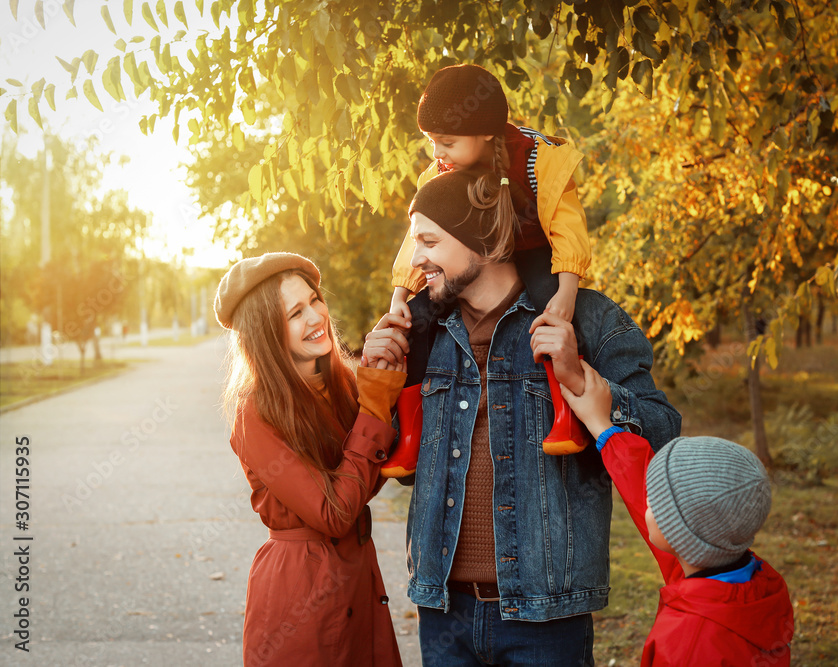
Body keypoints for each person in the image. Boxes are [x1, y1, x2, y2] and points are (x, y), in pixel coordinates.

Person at [363, 169, 683, 666]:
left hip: (547, 618)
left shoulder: (584, 320)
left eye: (428, 240)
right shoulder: (419, 331)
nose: (416, 258)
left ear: (485, 241)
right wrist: (379, 384)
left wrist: (584, 384)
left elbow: (664, 436)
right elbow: (407, 471)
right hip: (444, 611)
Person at [380, 63, 593, 477]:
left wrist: (567, 288)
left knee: (553, 310)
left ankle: (565, 411)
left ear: (487, 133)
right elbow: (418, 238)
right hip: (467, 266)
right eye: (431, 142)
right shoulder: (441, 172)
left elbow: (567, 226)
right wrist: (401, 294)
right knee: (415, 326)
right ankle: (409, 435)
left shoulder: (537, 159)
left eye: (447, 141)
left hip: (531, 254)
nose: (437, 152)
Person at [214, 252, 406, 667]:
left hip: (359, 583)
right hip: (300, 595)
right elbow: (335, 512)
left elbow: (365, 481)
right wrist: (374, 408)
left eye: (315, 300)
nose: (316, 316)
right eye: (295, 313)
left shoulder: (342, 383)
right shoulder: (256, 414)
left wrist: (385, 380)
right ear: (266, 333)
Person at [561, 361, 795, 666]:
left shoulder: (687, 646)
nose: (648, 500)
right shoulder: (750, 583)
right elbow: (644, 487)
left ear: (676, 532)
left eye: (656, 499)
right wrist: (602, 427)